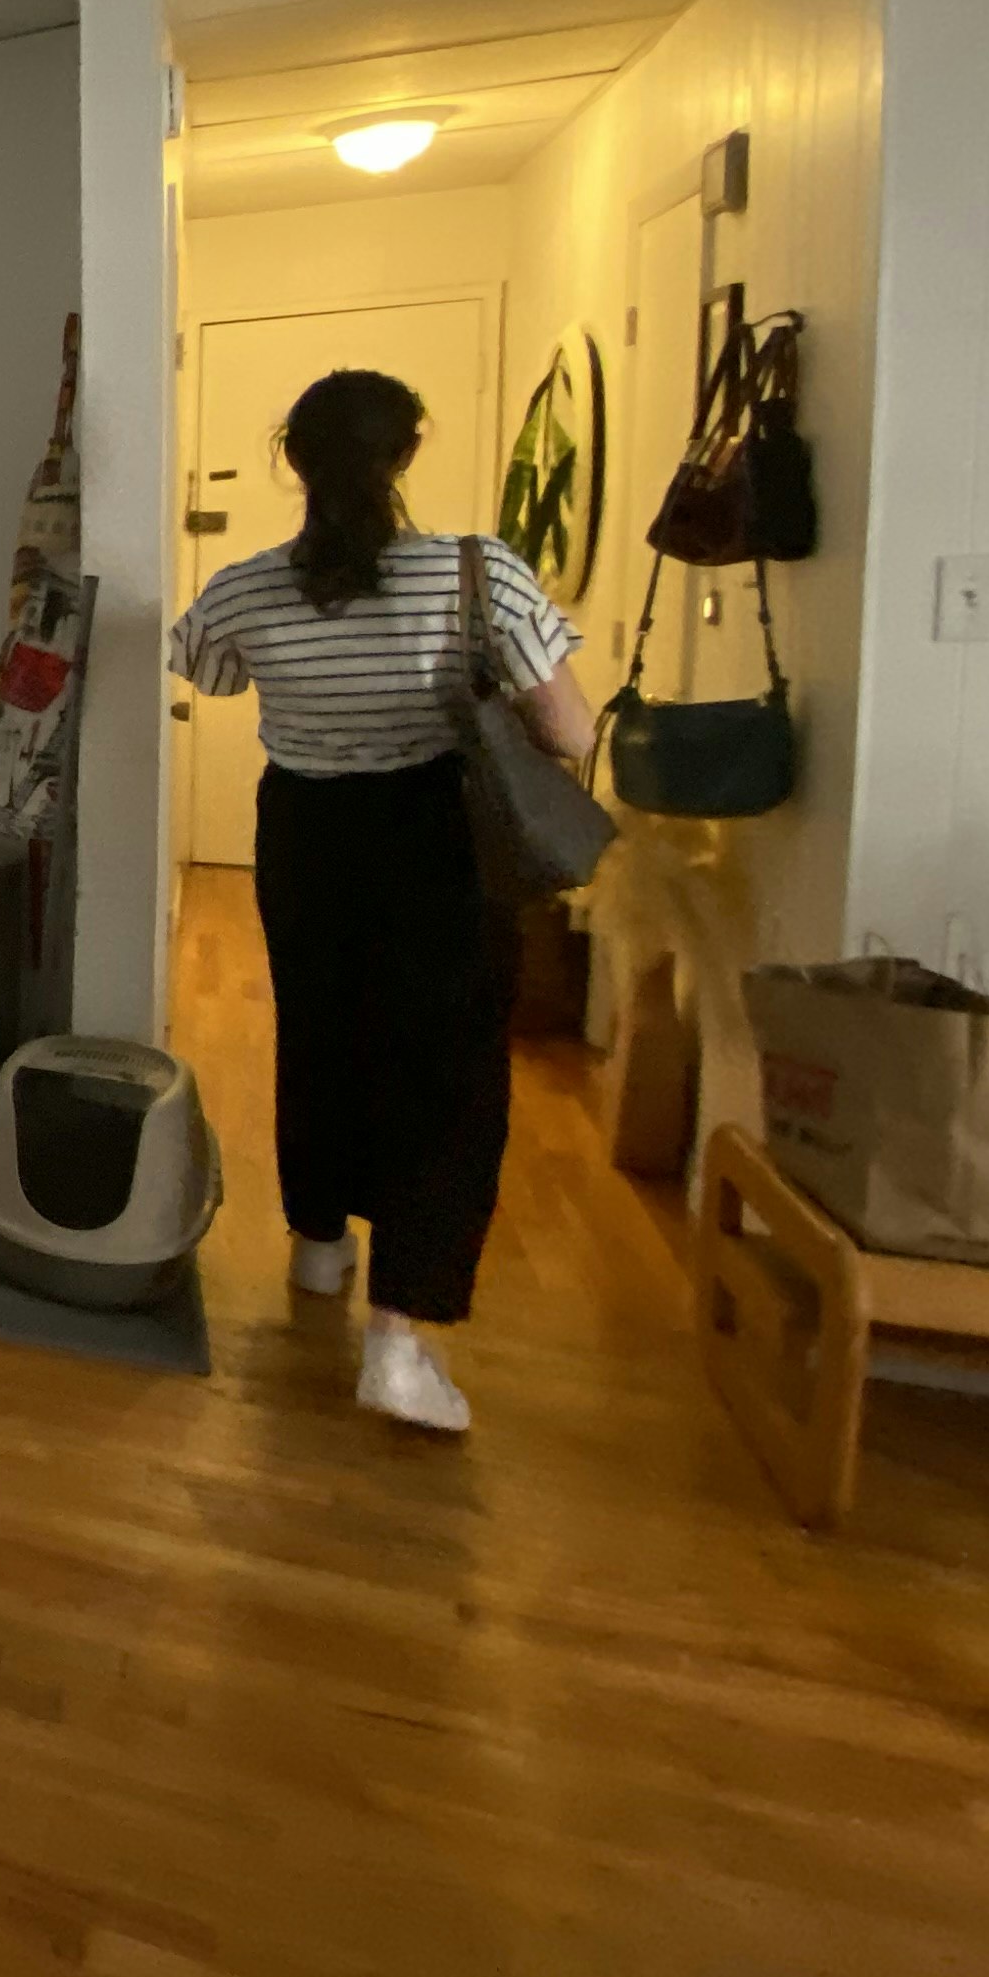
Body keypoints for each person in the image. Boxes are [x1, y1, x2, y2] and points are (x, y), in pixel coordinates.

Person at [167, 369, 595, 1435]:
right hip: (437, 834)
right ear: (404, 456)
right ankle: (400, 1345)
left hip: (306, 832)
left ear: (292, 461)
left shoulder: (246, 588)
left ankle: (319, 1247)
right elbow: (571, 730)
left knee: (320, 1033)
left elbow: (208, 676)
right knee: (444, 1073)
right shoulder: (478, 573)